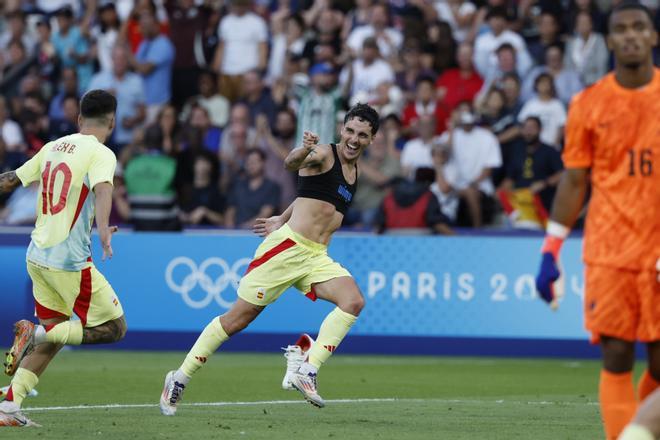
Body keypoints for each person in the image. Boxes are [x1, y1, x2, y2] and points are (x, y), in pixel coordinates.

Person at [159, 103, 379, 414]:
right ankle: (179, 377)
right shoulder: (324, 154)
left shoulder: (353, 172)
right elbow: (292, 164)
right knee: (237, 319)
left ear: (371, 139)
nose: (354, 139)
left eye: (362, 135)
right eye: (350, 131)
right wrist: (302, 150)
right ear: (342, 129)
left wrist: (283, 215)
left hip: (316, 256)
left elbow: (311, 194)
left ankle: (307, 368)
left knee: (353, 301)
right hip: (287, 249)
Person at [535, 3, 660, 439]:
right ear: (609, 41)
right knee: (617, 354)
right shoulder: (588, 103)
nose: (630, 35)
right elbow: (573, 181)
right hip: (609, 251)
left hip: (659, 250)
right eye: (621, 29)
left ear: (652, 37)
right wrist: (551, 248)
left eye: (639, 27)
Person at [0, 90, 126, 427]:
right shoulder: (102, 153)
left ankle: (8, 408)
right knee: (114, 328)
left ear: (79, 118)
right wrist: (103, 230)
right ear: (112, 120)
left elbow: (11, 180)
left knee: (60, 333)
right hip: (68, 262)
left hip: (37, 256)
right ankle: (35, 334)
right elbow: (103, 188)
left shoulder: (53, 147)